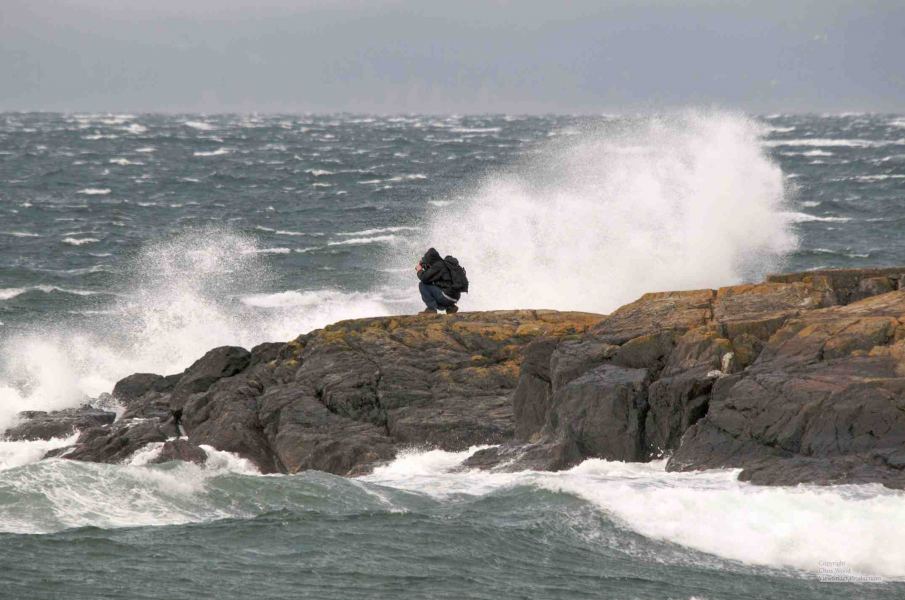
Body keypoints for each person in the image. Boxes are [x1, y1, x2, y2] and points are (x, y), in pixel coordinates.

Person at [416, 247, 460, 314]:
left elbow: (424, 278)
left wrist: (419, 270)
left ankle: (431, 309)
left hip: (447, 297)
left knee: (422, 284)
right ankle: (450, 307)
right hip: (454, 298)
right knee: (438, 285)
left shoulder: (437, 266)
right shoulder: (444, 265)